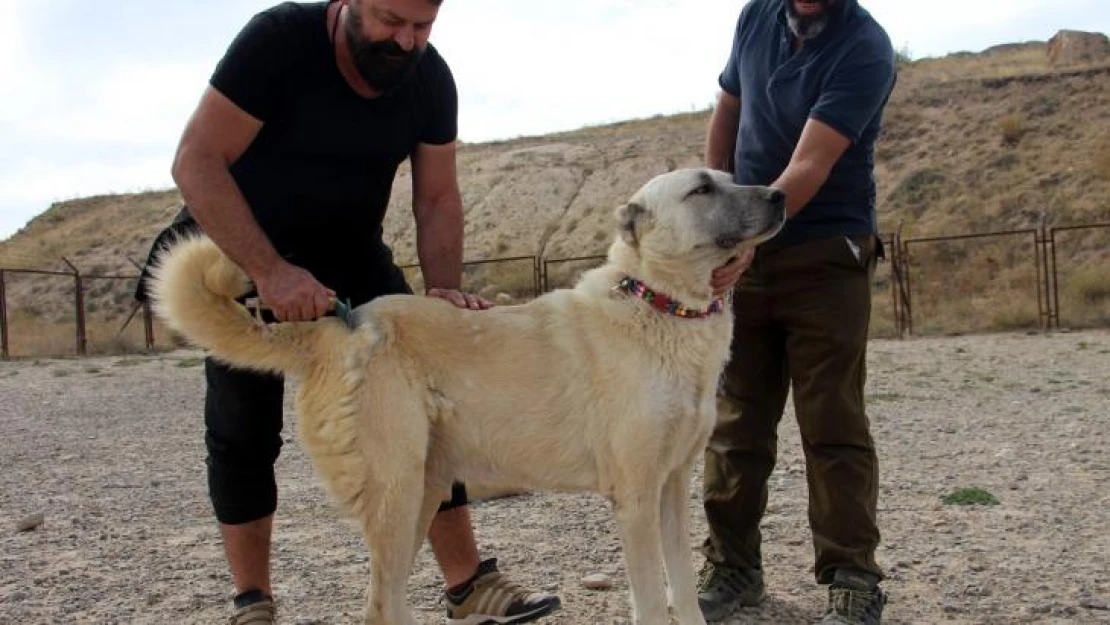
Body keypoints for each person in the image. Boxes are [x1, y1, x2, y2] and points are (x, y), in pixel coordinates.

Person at [137, 1, 561, 623]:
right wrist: (270, 270)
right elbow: (195, 161)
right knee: (242, 429)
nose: (407, 40)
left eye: (423, 26)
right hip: (243, 243)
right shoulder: (278, 41)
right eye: (392, 21)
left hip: (351, 250)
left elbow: (438, 196)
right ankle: (252, 601)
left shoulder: (430, 77)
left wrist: (442, 290)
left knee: (428, 408)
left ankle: (469, 584)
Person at [695, 0, 897, 624]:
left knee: (831, 418)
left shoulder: (865, 45)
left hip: (825, 251)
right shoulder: (756, 17)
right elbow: (729, 104)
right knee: (736, 420)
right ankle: (732, 567)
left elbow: (811, 162)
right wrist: (714, 206)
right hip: (750, 247)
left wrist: (743, 237)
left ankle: (852, 576)